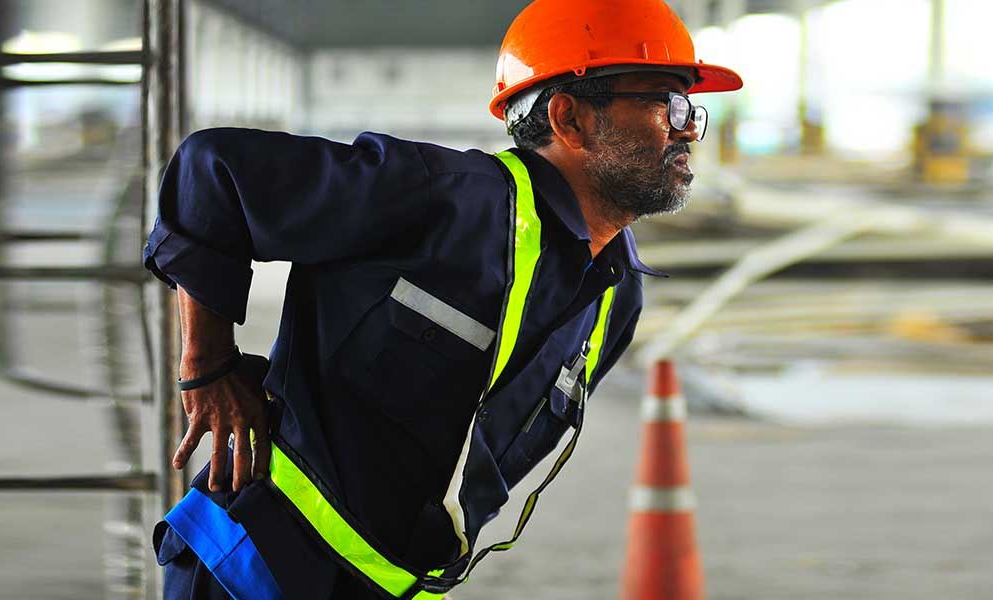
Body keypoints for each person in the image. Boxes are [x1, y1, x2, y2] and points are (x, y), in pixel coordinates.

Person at [143, 1, 742, 598]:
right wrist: (208, 367)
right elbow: (212, 172)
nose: (689, 127)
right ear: (570, 119)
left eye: (693, 107)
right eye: (668, 102)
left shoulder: (615, 296)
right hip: (255, 566)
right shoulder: (440, 197)